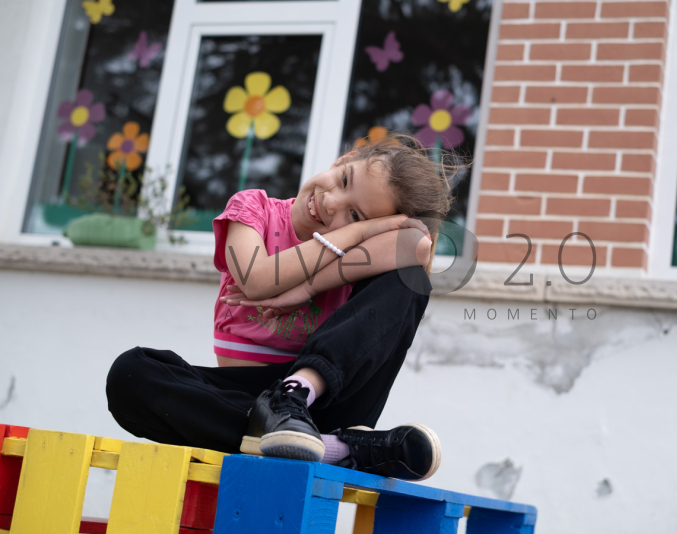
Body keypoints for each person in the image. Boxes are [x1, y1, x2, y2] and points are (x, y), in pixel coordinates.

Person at [106, 133, 455, 481]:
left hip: (327, 403)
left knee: (410, 278)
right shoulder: (253, 209)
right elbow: (256, 279)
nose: (331, 201)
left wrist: (308, 287)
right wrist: (358, 231)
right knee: (131, 373)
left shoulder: (365, 255)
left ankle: (298, 393)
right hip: (241, 403)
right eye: (344, 180)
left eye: (354, 214)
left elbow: (418, 246)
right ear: (344, 159)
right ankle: (338, 450)